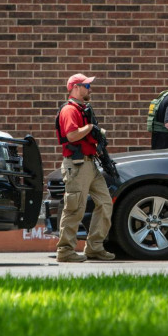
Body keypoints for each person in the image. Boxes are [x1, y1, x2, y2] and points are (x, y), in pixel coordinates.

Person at [53, 73, 115, 263]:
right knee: (75, 208)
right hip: (77, 165)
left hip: (90, 164)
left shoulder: (82, 109)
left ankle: (95, 247)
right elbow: (72, 135)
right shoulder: (69, 110)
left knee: (105, 203)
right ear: (75, 87)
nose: (89, 89)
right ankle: (65, 250)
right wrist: (90, 128)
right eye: (86, 86)